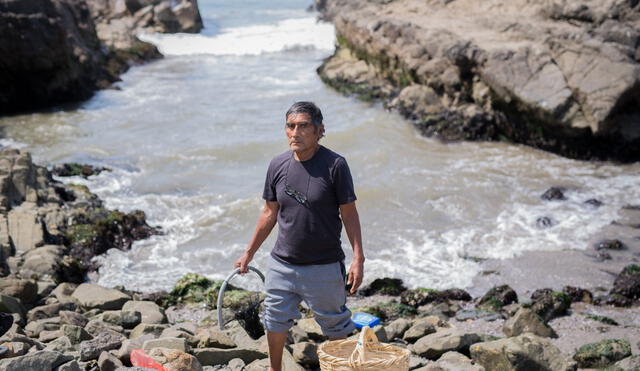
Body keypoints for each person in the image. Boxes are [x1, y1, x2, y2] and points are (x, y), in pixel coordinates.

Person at [234, 101, 364, 371]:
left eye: (303, 126)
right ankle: (275, 369)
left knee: (336, 326)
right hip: (282, 264)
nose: (296, 132)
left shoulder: (335, 165)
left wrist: (358, 258)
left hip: (324, 266)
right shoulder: (278, 164)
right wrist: (249, 252)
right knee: (274, 320)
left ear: (319, 131)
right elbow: (269, 213)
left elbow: (349, 214)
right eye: (290, 126)